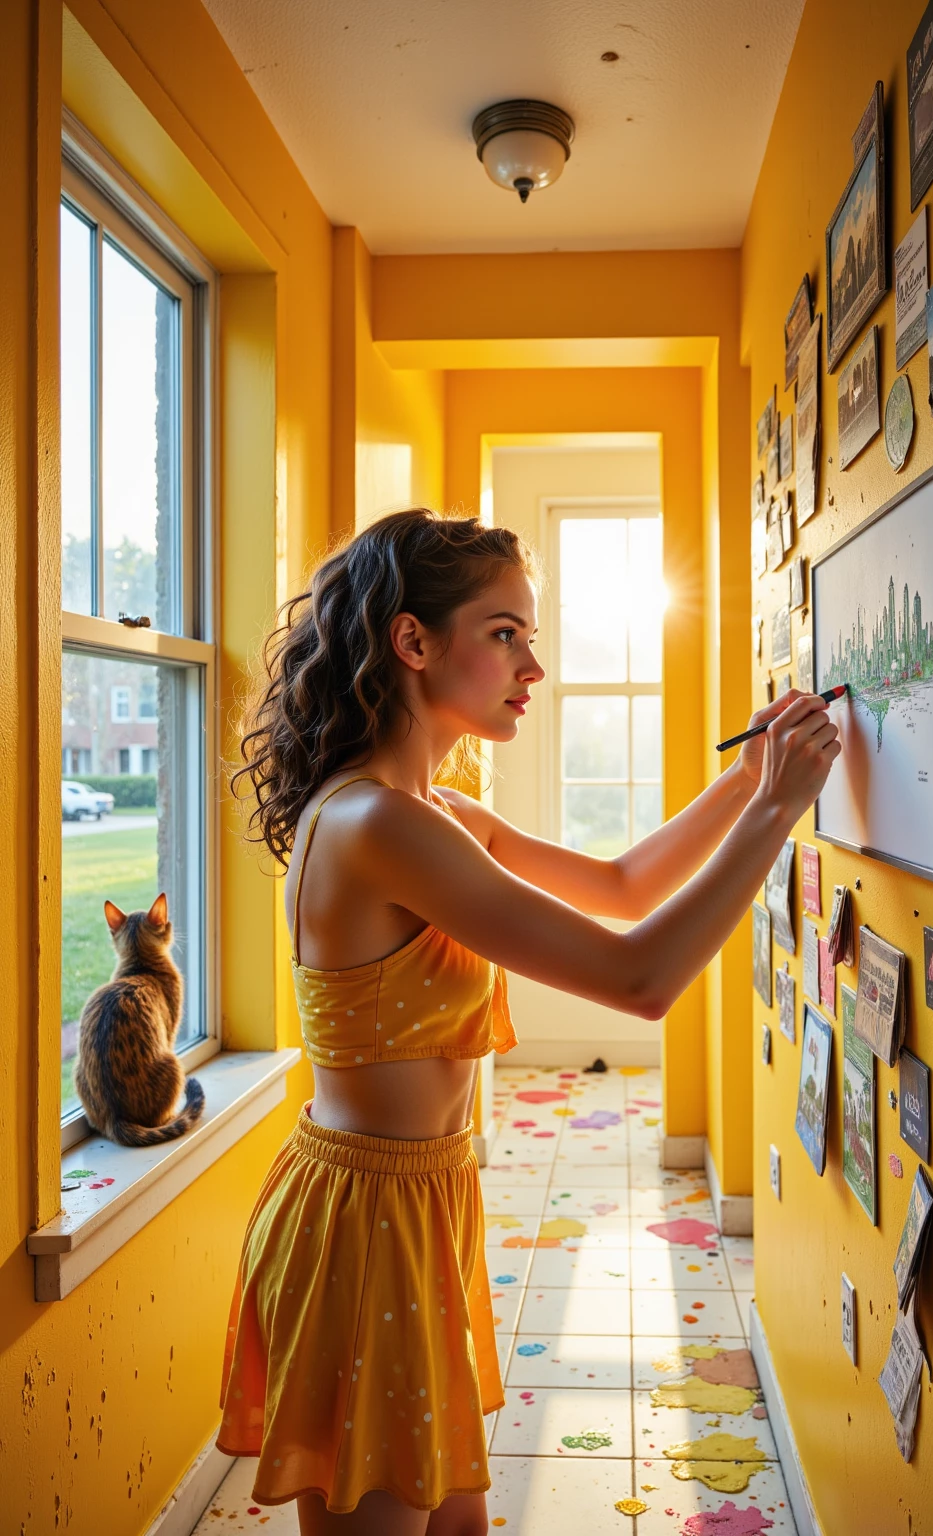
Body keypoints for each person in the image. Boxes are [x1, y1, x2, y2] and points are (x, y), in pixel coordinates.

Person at [216, 508, 841, 1535]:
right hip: (363, 1225)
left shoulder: (430, 811)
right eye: (505, 632)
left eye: (530, 636)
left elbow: (623, 885)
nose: (533, 666)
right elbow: (639, 976)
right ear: (413, 642)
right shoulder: (380, 825)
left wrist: (742, 780)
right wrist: (777, 810)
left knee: (455, 1523)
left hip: (419, 1206)